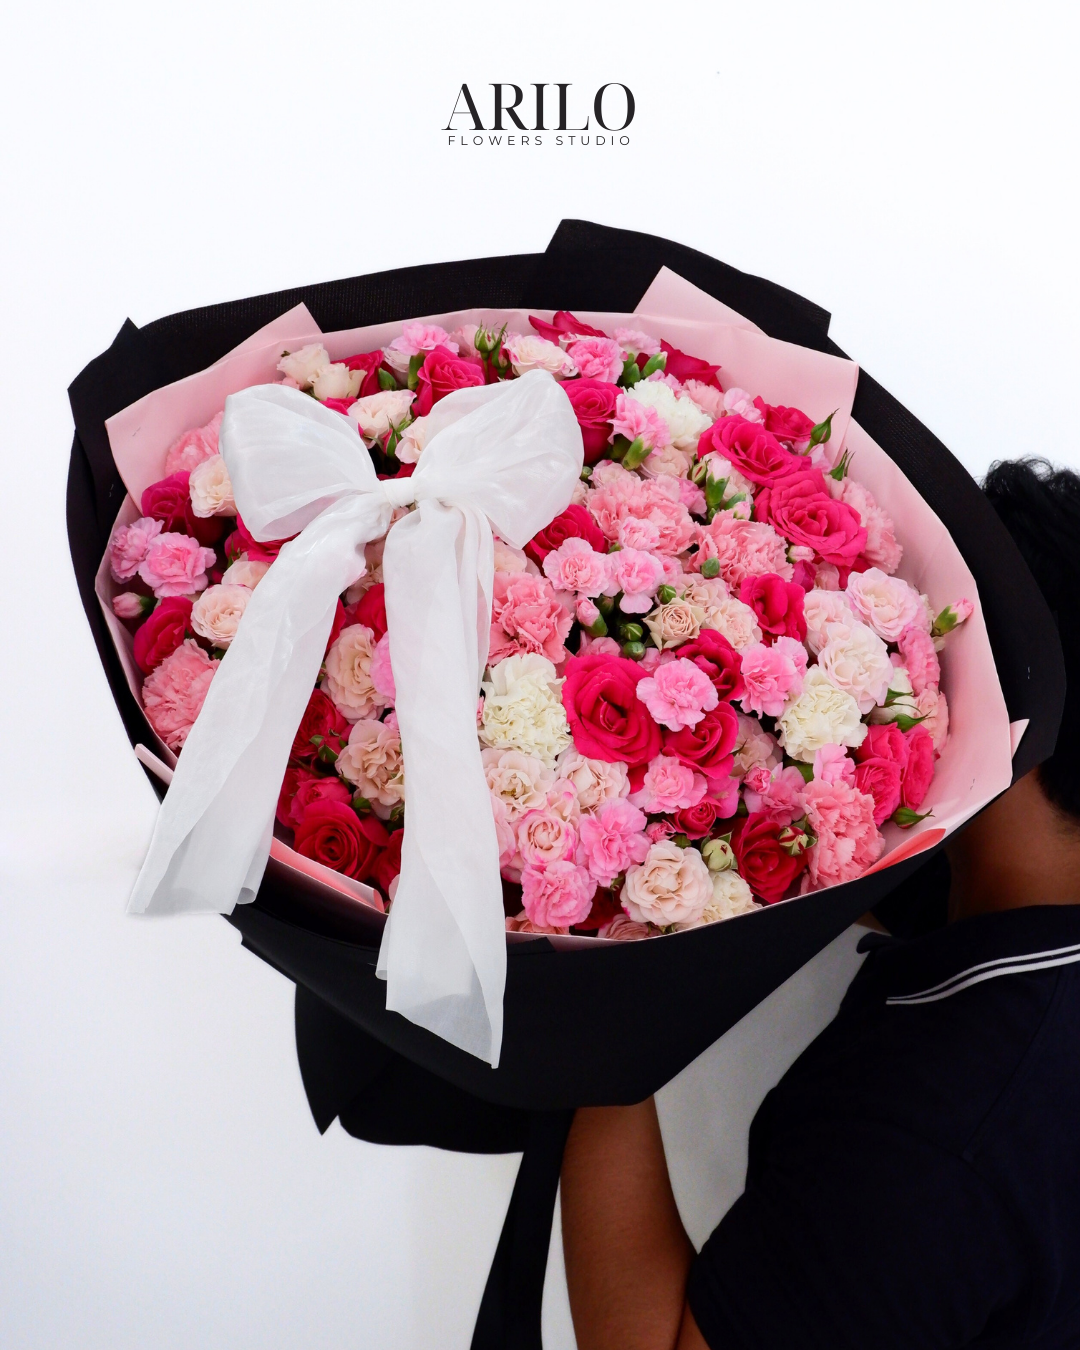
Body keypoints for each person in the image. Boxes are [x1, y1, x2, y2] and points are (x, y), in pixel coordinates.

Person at [560, 458, 1080, 1350]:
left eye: (932, 642)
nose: (900, 671)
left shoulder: (940, 1129)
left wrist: (591, 992)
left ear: (1013, 701)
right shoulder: (1013, 940)